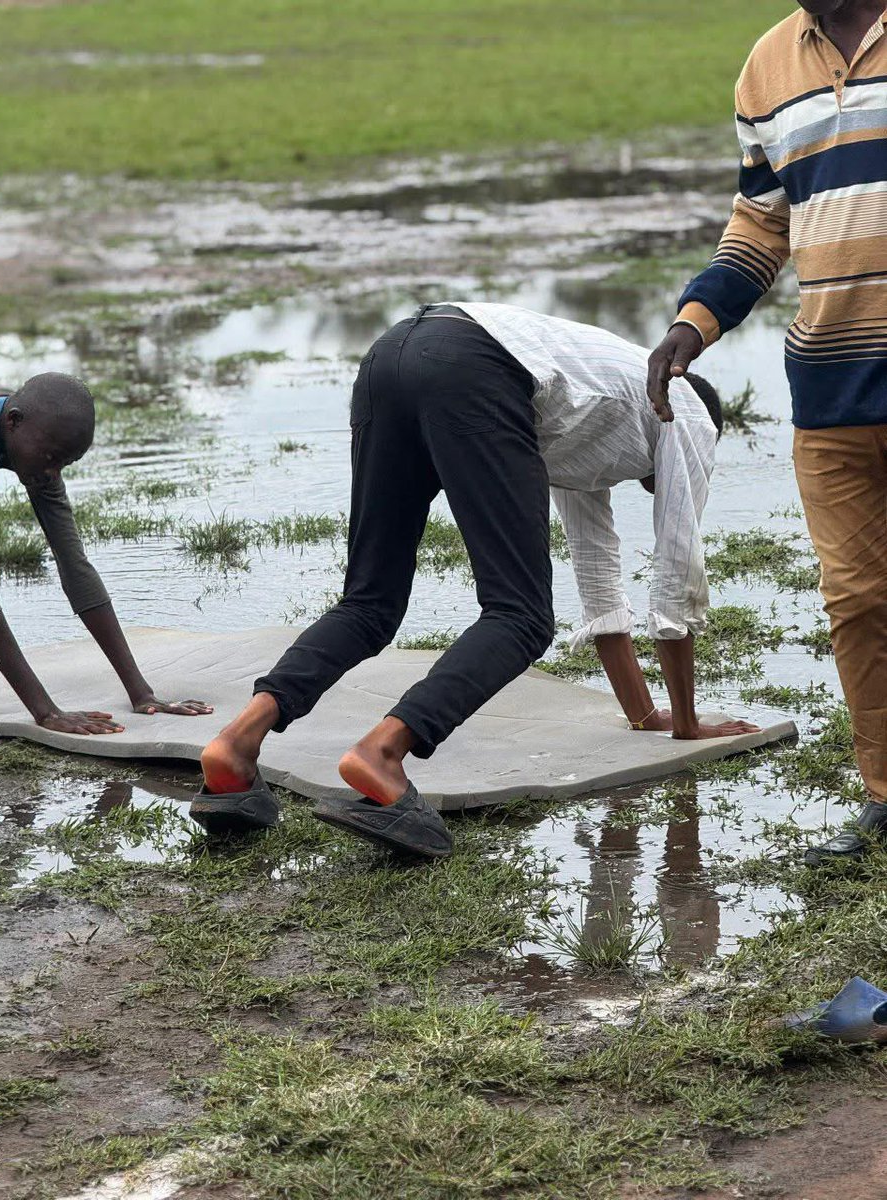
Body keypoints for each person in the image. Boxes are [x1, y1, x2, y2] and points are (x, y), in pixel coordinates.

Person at [195, 303, 758, 856]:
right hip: (476, 366)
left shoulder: (588, 416)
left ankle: (237, 743)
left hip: (392, 355)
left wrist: (645, 715)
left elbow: (597, 570)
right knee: (521, 617)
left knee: (370, 602)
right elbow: (676, 574)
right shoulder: (683, 410)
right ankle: (382, 755)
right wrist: (686, 725)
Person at [646, 0, 887, 866]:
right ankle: (885, 797)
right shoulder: (766, 65)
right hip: (830, 390)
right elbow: (761, 221)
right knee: (858, 601)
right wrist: (692, 325)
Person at [0, 372, 212, 734]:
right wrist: (45, 712)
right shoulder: (23, 430)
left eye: (64, 463)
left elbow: (74, 565)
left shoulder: (32, 442)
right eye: (50, 457)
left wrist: (141, 693)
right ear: (13, 422)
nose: (52, 472)